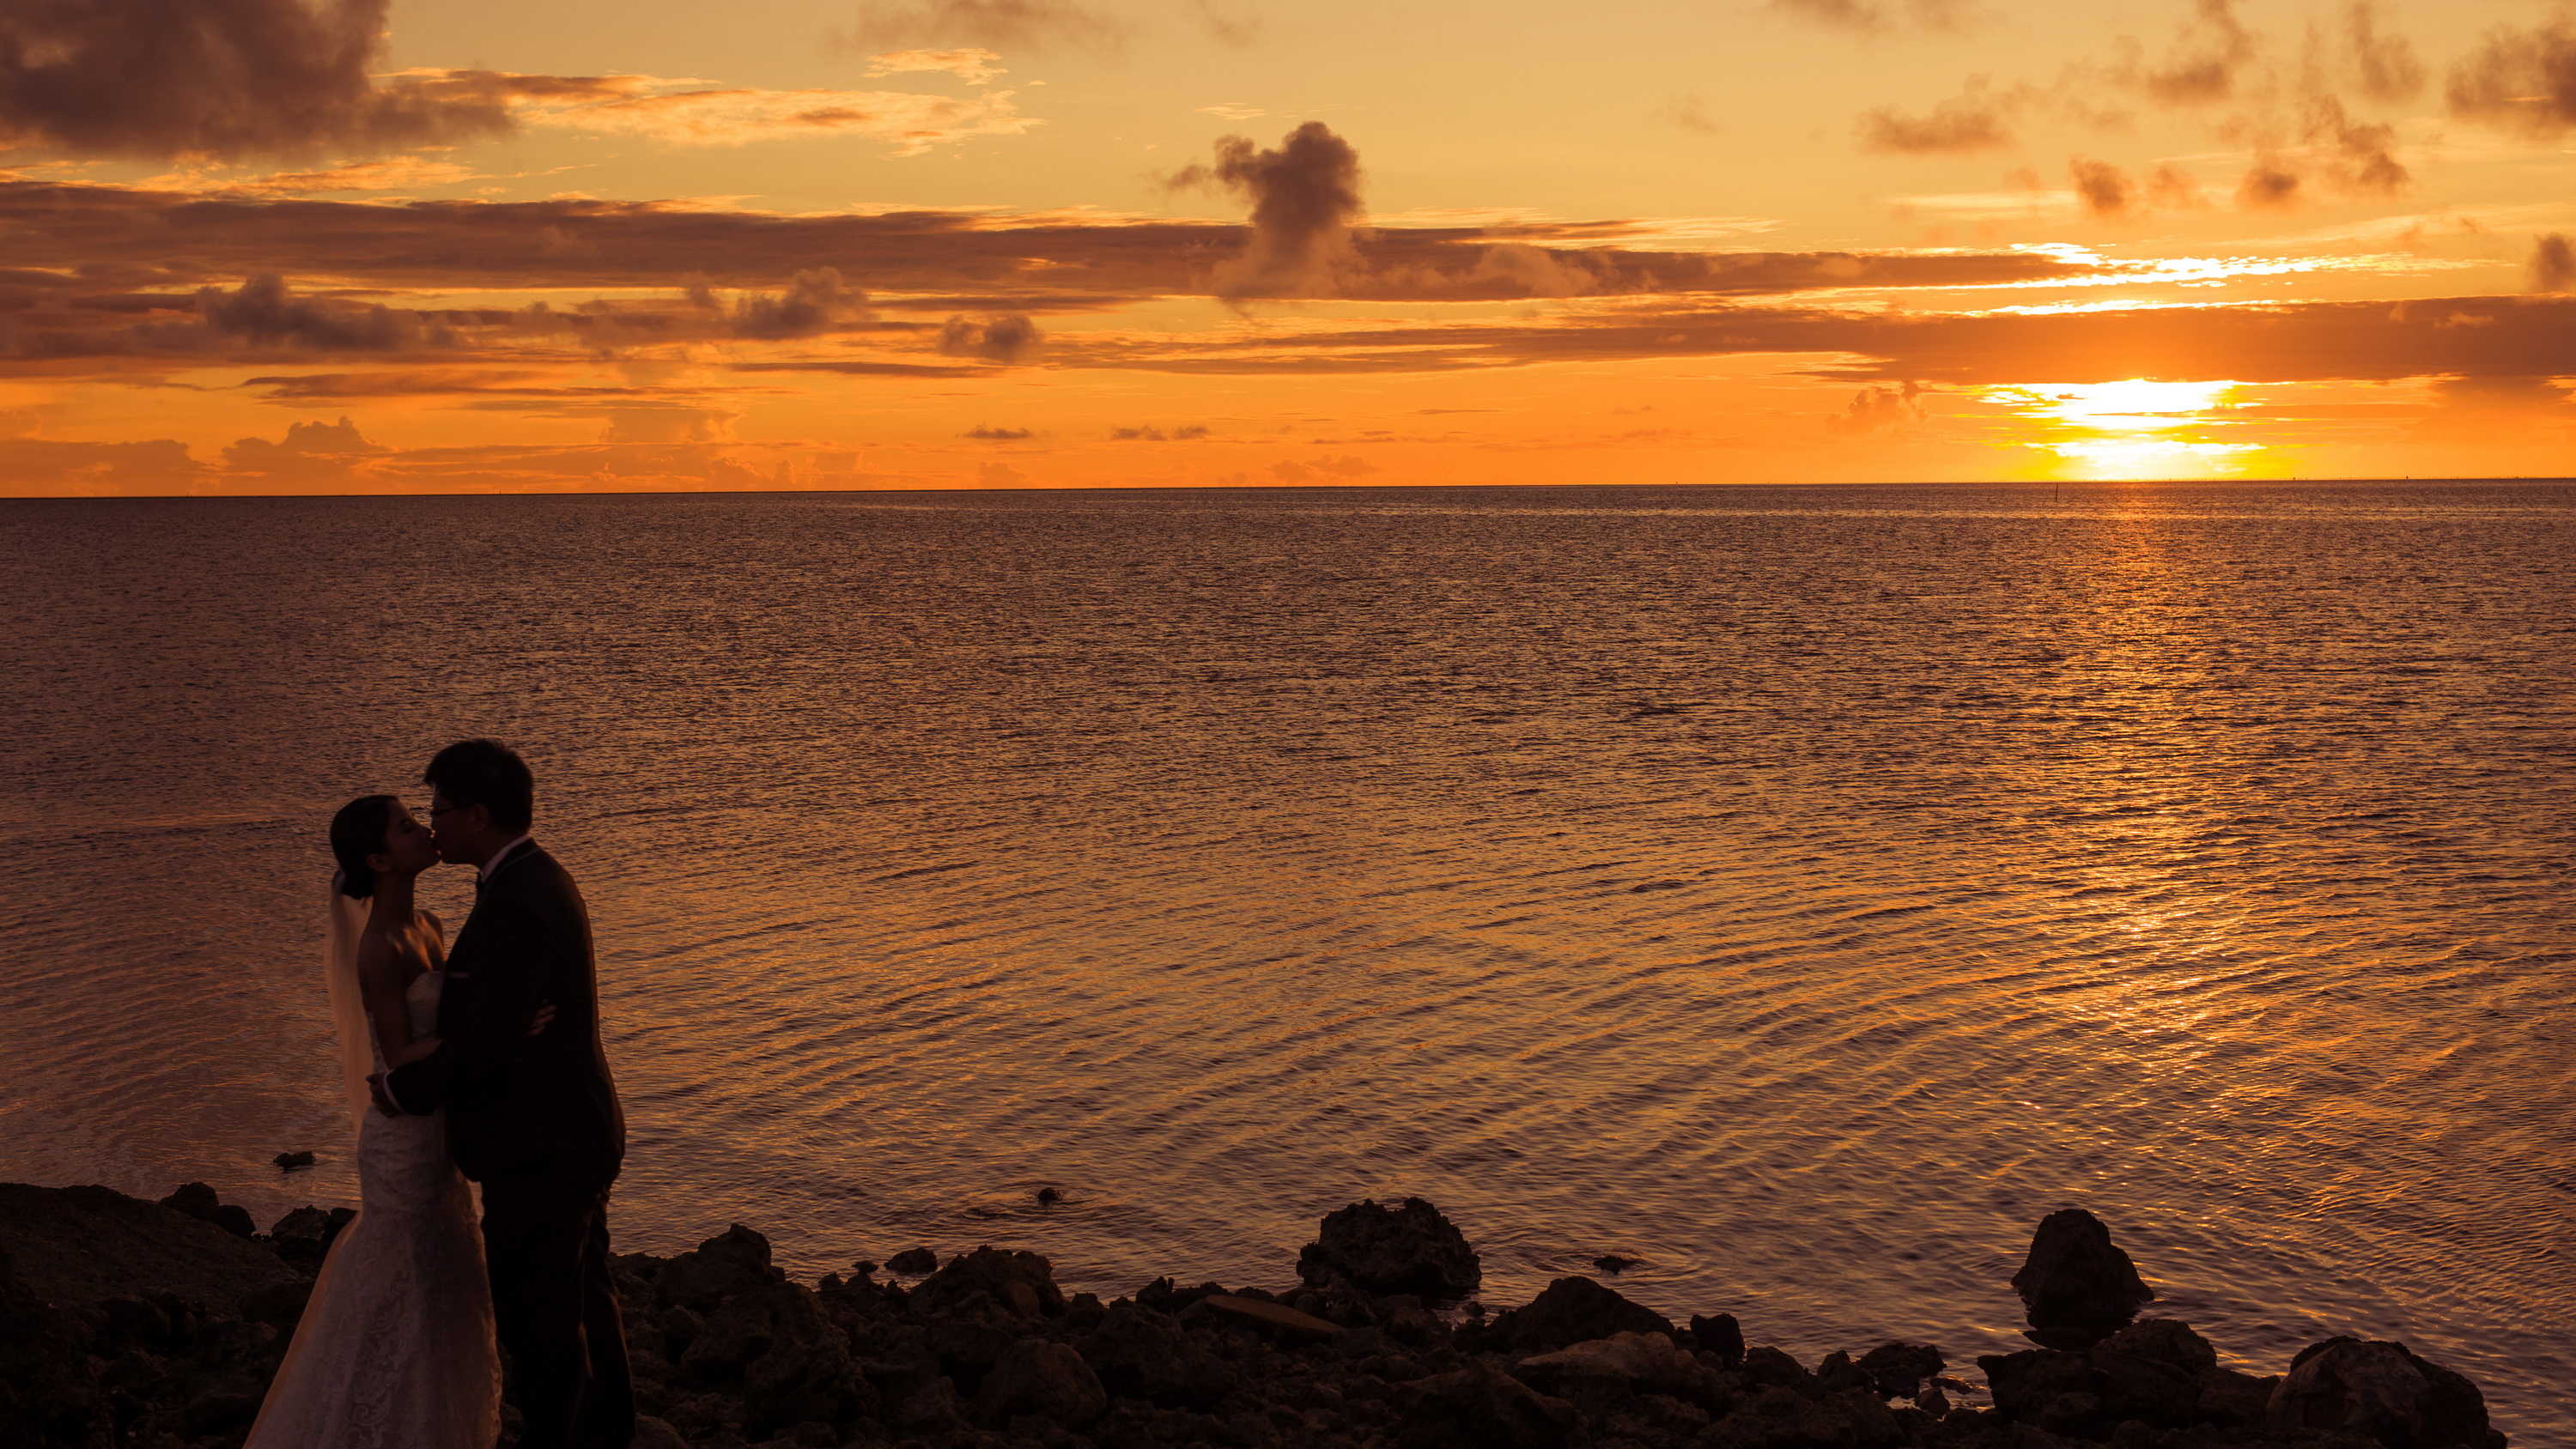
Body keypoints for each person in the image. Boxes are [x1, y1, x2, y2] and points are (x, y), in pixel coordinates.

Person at [378, 739, 635, 1449]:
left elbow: (486, 1048)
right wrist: (503, 1025)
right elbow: (495, 1026)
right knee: (584, 1305)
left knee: (543, 1329)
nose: (433, 826)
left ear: (478, 814)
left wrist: (403, 1089)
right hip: (571, 1131)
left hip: (542, 1147)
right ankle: (609, 1436)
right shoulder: (532, 877)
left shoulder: (518, 901)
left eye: (440, 811)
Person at [246, 793, 509, 1448]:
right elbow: (399, 1054)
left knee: (445, 1273)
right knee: (401, 1276)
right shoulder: (379, 950)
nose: (422, 828)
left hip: (439, 1132)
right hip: (400, 1141)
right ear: (378, 860)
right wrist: (495, 1035)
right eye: (404, 826)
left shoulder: (433, 922)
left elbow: (445, 1025)